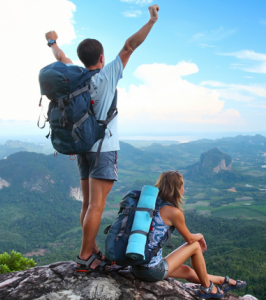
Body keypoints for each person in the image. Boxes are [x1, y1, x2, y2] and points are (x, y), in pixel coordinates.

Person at [45, 4, 160, 273]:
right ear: (102, 56)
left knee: (87, 204)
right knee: (97, 205)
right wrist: (152, 21)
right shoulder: (107, 74)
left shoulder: (76, 78)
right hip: (103, 149)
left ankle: (91, 248)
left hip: (82, 147)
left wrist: (52, 41)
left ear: (82, 58)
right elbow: (130, 45)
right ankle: (86, 256)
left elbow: (61, 58)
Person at [132, 171, 246, 298]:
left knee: (186, 270)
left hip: (137, 266)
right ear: (176, 189)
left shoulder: (150, 206)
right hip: (151, 271)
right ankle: (207, 288)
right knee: (195, 246)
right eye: (183, 186)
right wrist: (201, 235)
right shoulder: (173, 212)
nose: (184, 189)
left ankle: (223, 281)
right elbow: (190, 239)